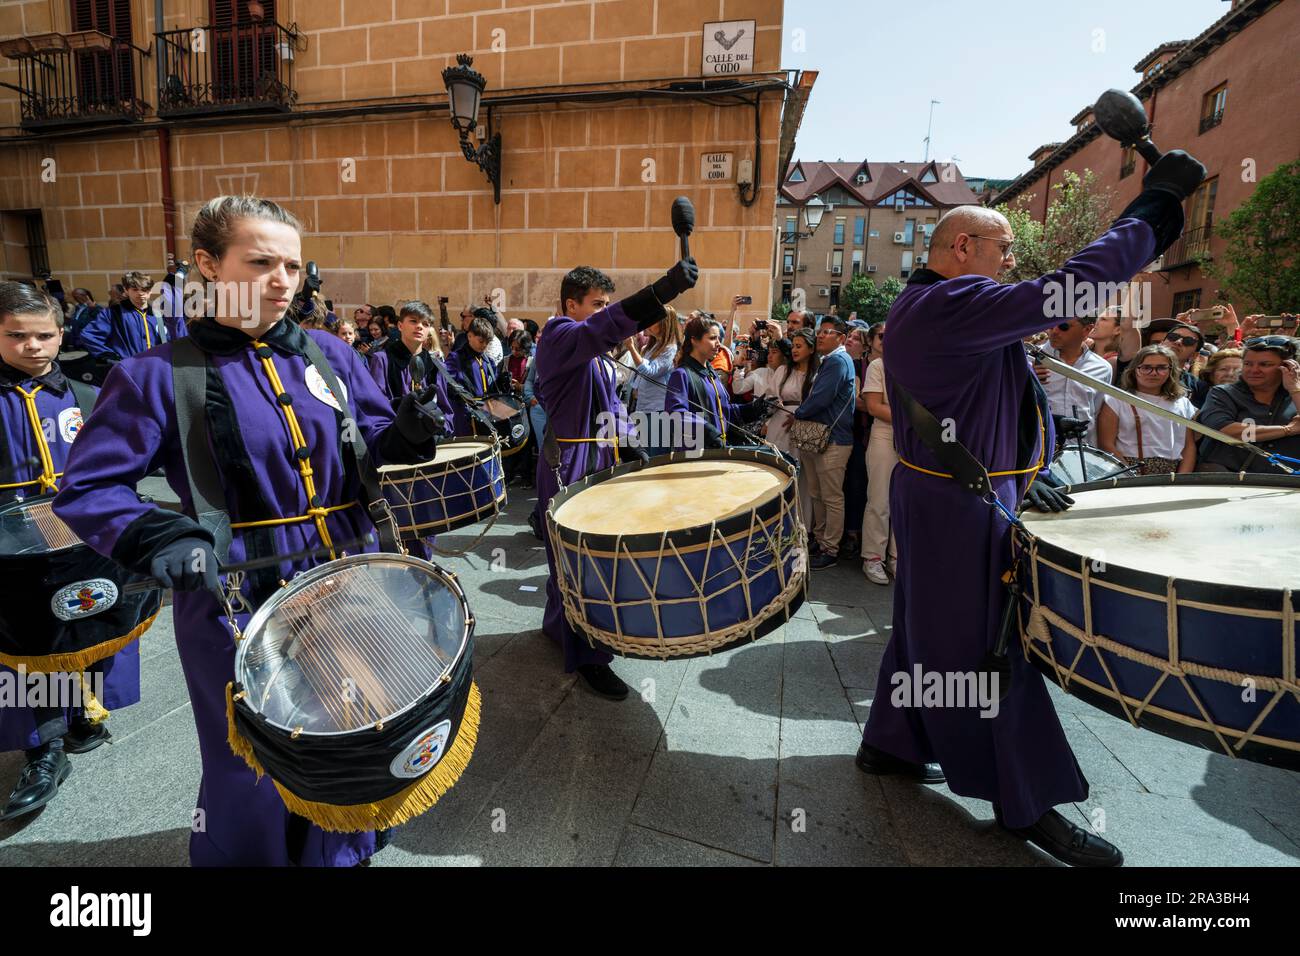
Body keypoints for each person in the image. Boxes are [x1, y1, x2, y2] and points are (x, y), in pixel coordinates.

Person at [53, 195, 445, 866]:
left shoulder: (328, 354)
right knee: (256, 757)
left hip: (349, 574)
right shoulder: (155, 373)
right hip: (238, 593)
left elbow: (368, 440)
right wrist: (162, 537)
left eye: (292, 264)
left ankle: (345, 848)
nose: (283, 280)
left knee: (354, 722)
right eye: (261, 262)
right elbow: (89, 487)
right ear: (208, 265)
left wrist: (402, 435)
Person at [859, 143, 1206, 868]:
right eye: (1005, 248)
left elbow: (998, 398)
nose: (1012, 262)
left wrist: (1034, 465)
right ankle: (1026, 804)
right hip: (963, 503)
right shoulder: (952, 300)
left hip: (954, 491)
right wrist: (1155, 206)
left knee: (926, 627)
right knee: (991, 652)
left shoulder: (932, 304)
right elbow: (1071, 290)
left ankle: (890, 743)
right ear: (963, 247)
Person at [0, 283, 141, 821]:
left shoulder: (85, 392)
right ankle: (43, 747)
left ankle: (83, 711)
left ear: (62, 335)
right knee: (25, 644)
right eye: (17, 336)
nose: (33, 346)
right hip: (14, 547)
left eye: (44, 335)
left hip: (81, 535)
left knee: (89, 622)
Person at [534, 261, 697, 700]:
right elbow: (599, 330)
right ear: (572, 304)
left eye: (608, 303)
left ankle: (557, 626)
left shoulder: (593, 353)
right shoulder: (559, 333)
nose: (605, 311)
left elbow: (612, 406)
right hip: (567, 461)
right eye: (598, 304)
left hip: (597, 456)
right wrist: (659, 291)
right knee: (578, 564)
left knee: (585, 560)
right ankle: (589, 658)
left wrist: (632, 442)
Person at [792, 315, 857, 570]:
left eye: (828, 332)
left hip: (834, 440)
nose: (820, 335)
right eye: (820, 331)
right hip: (821, 438)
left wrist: (798, 412)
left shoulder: (838, 360)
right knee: (818, 494)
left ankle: (830, 548)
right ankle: (820, 541)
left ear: (841, 338)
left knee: (831, 497)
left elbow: (821, 398)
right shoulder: (830, 360)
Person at [1196, 336, 1300, 473]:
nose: (1254, 370)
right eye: (1248, 364)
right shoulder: (1222, 393)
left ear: (1287, 367)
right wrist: (1287, 430)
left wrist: (1294, 389)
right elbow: (1225, 432)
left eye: (1265, 364)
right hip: (1229, 481)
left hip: (1287, 484)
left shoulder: (1295, 395)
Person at [665, 315, 766, 451]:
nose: (718, 343)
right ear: (694, 340)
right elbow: (675, 415)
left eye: (718, 338)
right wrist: (705, 429)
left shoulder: (711, 373)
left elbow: (723, 411)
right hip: (693, 455)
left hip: (717, 452)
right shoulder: (681, 374)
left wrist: (752, 409)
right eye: (712, 338)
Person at [1096, 344, 1197, 475]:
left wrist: (1181, 477)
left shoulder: (1182, 403)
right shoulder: (1116, 400)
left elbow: (1188, 446)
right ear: (1135, 369)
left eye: (1161, 368)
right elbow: (1106, 444)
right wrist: (1130, 474)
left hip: (1172, 473)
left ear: (1171, 370)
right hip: (1127, 470)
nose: (1153, 373)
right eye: (1146, 367)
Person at [1034, 315, 1113, 447]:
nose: (1054, 331)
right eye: (1051, 325)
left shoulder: (1103, 368)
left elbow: (1096, 413)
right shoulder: (1030, 360)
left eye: (1063, 326)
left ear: (1087, 330)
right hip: (1038, 450)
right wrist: (1029, 380)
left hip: (1080, 452)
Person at [860, 324, 896, 586]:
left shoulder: (917, 363)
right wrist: (912, 421)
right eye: (882, 336)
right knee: (880, 500)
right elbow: (873, 406)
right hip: (885, 435)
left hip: (912, 439)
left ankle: (896, 556)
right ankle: (873, 557)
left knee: (901, 501)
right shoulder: (878, 366)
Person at [78, 271, 167, 362]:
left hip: (155, 366)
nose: (141, 293)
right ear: (126, 290)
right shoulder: (113, 313)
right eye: (135, 289)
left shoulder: (157, 315)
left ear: (150, 291)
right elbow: (88, 335)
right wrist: (109, 356)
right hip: (128, 368)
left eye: (145, 290)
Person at [444, 313, 499, 437]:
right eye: (481, 341)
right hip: (464, 415)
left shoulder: (488, 361)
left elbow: (492, 386)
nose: (484, 345)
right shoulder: (456, 358)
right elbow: (448, 385)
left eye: (487, 342)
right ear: (469, 336)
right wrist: (464, 398)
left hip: (486, 414)